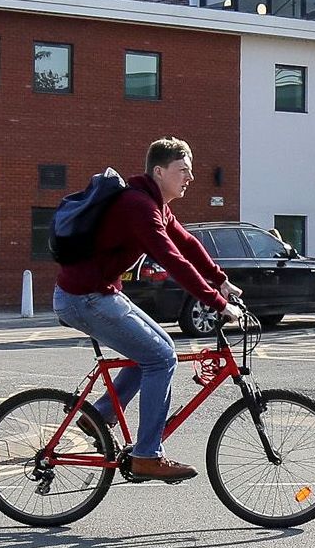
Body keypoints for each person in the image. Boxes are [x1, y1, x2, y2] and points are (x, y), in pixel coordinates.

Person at [51, 136, 243, 483]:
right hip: (84, 298)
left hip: (99, 293)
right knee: (161, 357)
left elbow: (187, 243)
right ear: (159, 171)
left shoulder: (153, 204)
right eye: (182, 170)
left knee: (158, 350)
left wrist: (221, 281)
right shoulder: (138, 207)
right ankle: (147, 455)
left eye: (191, 170)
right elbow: (171, 259)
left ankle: (99, 414)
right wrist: (218, 303)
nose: (190, 177)